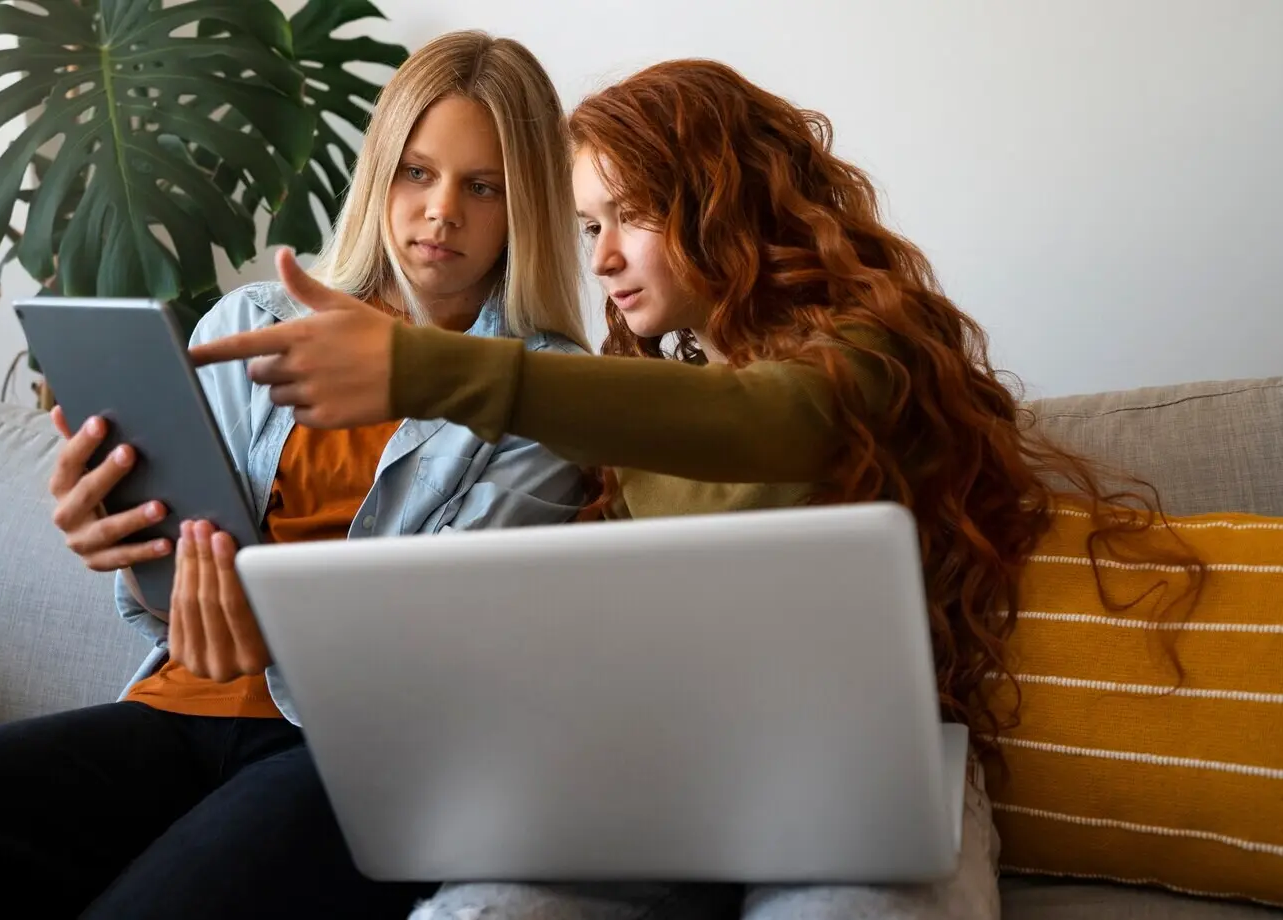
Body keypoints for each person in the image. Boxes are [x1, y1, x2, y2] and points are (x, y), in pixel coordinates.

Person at [191, 58, 1205, 920]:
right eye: (591, 224)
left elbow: (771, 421)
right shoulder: (635, 403)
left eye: (635, 213)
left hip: (857, 777)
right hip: (659, 772)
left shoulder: (875, 355)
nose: (605, 257)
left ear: (734, 196)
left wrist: (423, 368)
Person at [0, 31, 593, 917]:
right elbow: (175, 595)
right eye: (417, 173)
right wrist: (116, 533)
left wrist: (265, 624)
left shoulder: (549, 392)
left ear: (525, 204)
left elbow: (439, 640)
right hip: (173, 710)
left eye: (482, 186)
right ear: (380, 172)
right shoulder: (252, 320)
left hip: (350, 753)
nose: (441, 212)